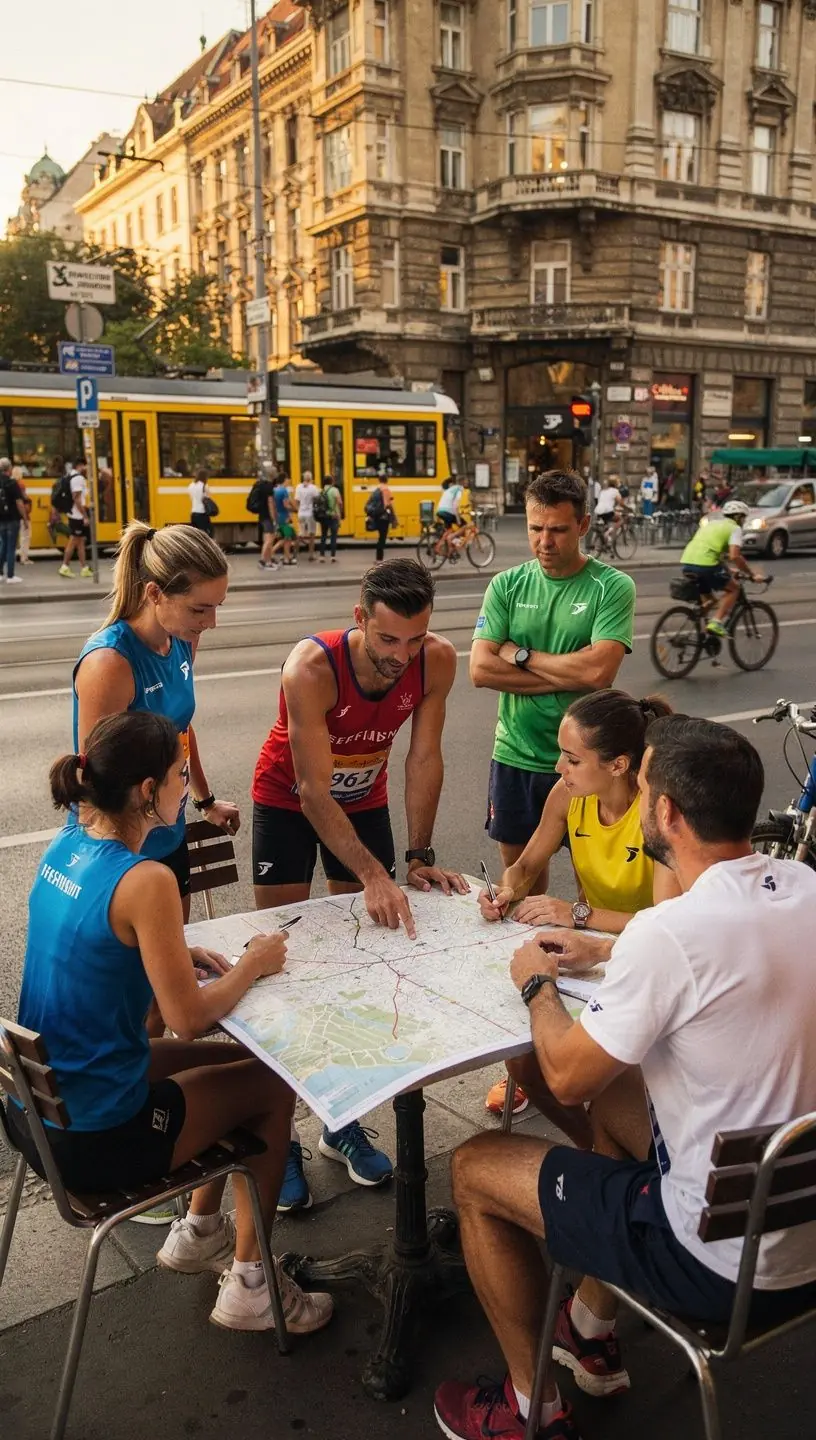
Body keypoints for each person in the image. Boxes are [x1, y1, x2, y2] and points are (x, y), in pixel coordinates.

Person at [435, 715, 816, 1440]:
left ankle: (528, 1411)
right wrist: (604, 948)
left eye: (644, 790)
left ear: (666, 811)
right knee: (618, 1107)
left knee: (475, 1166)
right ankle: (588, 1328)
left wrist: (537, 984)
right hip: (803, 1231)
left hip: (717, 1268)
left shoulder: (668, 934)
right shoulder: (801, 883)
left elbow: (565, 1077)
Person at [7, 712, 332, 1336]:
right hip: (98, 1137)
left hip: (38, 1112)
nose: (190, 786)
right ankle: (251, 1288)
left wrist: (175, 952)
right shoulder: (147, 878)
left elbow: (92, 940)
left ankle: (201, 1234)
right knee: (275, 1084)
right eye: (182, 775)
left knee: (246, 1067)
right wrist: (254, 965)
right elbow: (186, 1020)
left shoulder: (66, 844)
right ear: (145, 791)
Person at [251, 558, 467, 1210]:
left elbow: (423, 757)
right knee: (286, 969)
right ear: (359, 621)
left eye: (414, 638)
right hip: (289, 803)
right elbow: (314, 791)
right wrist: (374, 873)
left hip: (365, 799)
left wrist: (417, 855)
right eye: (387, 640)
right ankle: (278, 1137)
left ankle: (338, 1121)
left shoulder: (437, 660)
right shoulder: (310, 669)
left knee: (360, 966)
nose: (402, 655)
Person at [479, 689, 678, 1128]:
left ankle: (613, 1148)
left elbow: (669, 922)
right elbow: (528, 863)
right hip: (586, 952)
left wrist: (579, 916)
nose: (557, 767)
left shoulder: (654, 813)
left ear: (618, 765)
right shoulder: (568, 794)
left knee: (588, 1076)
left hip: (643, 957)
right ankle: (598, 1147)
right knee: (524, 1064)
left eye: (572, 758)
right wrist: (505, 890)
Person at [73, 521, 240, 923]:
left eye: (218, 606)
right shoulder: (110, 663)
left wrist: (204, 800)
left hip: (169, 826)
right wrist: (120, 861)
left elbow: (178, 728)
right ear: (154, 593)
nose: (211, 622)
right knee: (141, 973)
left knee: (176, 952)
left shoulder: (182, 636)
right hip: (123, 842)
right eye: (200, 608)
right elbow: (94, 781)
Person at [680, 498, 764, 636]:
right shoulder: (734, 528)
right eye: (743, 518)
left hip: (688, 563)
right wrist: (751, 574)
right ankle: (716, 622)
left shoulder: (711, 524)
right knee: (734, 589)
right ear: (738, 517)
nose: (743, 522)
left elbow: (712, 552)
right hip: (706, 566)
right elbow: (735, 556)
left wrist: (729, 570)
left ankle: (701, 633)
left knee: (711, 601)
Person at [58, 459, 93, 579]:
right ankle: (64, 566)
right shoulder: (78, 478)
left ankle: (84, 567)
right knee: (73, 541)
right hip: (77, 515)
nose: (86, 468)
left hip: (74, 514)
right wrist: (85, 516)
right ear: (80, 465)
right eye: (85, 466)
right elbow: (77, 498)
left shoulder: (70, 475)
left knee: (81, 541)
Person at [0, 457, 27, 584]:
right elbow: (19, 503)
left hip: (1, 519)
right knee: (11, 547)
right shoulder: (12, 483)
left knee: (3, 545)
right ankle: (10, 576)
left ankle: (0, 574)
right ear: (9, 468)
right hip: (13, 519)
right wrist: (25, 519)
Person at [257, 466, 282, 571]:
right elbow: (271, 503)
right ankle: (263, 561)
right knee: (269, 539)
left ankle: (268, 561)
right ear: (272, 474)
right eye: (275, 472)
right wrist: (274, 517)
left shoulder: (261, 485)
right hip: (268, 516)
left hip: (262, 515)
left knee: (267, 539)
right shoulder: (269, 487)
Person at [294, 470, 321, 562]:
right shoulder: (314, 488)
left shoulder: (298, 487)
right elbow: (317, 499)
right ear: (311, 478)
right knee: (311, 535)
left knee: (300, 534)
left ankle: (295, 553)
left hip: (301, 513)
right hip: (310, 513)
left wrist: (299, 510)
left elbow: (297, 501)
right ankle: (311, 555)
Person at [366, 477, 395, 563]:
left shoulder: (376, 490)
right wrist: (394, 518)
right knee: (382, 538)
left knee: (380, 537)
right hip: (383, 517)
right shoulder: (385, 489)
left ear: (379, 480)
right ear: (387, 480)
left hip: (377, 516)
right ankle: (379, 559)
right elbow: (388, 505)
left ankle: (378, 558)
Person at [271, 473, 296, 565]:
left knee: (287, 537)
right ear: (284, 480)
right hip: (284, 517)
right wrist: (293, 509)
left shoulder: (274, 490)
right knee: (286, 537)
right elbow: (286, 504)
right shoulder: (284, 491)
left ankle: (287, 557)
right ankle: (272, 553)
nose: (288, 480)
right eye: (287, 479)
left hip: (278, 516)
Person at [318, 472, 343, 562]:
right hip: (333, 516)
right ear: (332, 481)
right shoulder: (335, 490)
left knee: (323, 536)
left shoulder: (321, 491)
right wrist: (339, 511)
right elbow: (339, 502)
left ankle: (322, 556)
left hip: (324, 516)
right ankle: (332, 556)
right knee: (333, 536)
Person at [188, 467, 213, 537]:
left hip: (193, 513)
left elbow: (191, 498)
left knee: (196, 535)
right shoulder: (204, 486)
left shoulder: (191, 485)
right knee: (207, 533)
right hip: (202, 513)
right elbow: (208, 497)